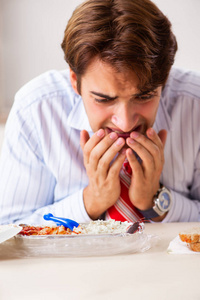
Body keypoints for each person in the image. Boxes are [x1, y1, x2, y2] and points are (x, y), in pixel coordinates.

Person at [0, 0, 200, 225]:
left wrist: (156, 202)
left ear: (164, 79)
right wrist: (90, 202)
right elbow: (9, 231)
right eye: (104, 99)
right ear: (75, 81)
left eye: (144, 96)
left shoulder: (195, 105)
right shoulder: (36, 110)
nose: (125, 123)